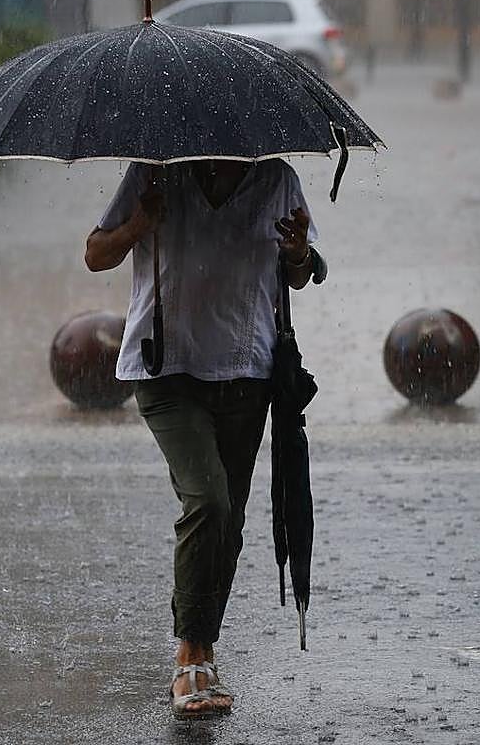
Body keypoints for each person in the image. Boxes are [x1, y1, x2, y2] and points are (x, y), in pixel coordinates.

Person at [83, 157, 318, 718]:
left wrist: (298, 253)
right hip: (167, 369)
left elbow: (301, 271)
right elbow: (96, 254)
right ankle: (189, 652)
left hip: (246, 369)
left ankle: (203, 653)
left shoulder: (276, 178)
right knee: (208, 501)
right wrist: (142, 223)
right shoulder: (154, 171)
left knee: (229, 522)